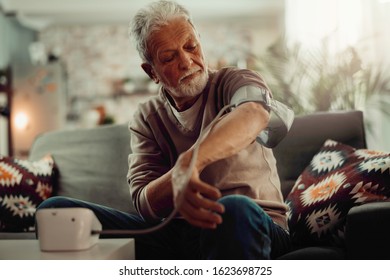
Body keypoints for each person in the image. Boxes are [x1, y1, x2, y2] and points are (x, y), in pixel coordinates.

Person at [37, 0, 293, 259]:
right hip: (180, 234)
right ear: (151, 72)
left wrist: (190, 163)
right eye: (169, 57)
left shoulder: (235, 81)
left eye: (191, 46)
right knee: (55, 210)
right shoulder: (146, 117)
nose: (186, 61)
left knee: (233, 209)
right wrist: (175, 180)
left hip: (254, 222)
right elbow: (144, 203)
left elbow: (254, 113)